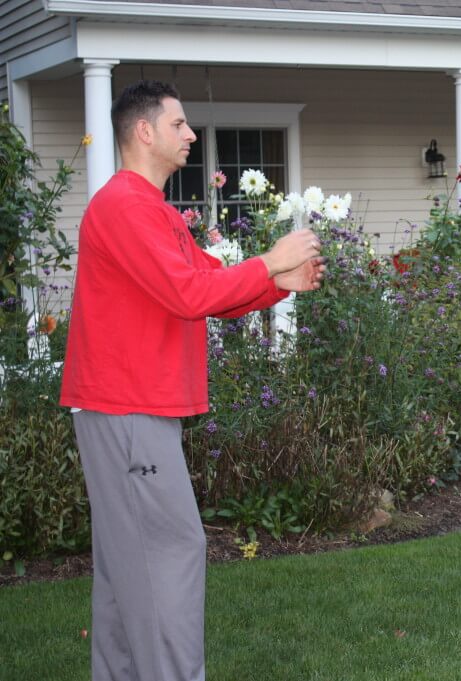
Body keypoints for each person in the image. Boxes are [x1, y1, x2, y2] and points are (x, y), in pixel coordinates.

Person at [59, 80, 325, 681]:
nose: (191, 134)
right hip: (126, 411)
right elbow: (188, 294)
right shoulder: (125, 206)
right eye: (179, 124)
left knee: (128, 568)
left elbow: (208, 287)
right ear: (145, 131)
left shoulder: (152, 211)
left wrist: (275, 285)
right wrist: (270, 260)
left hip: (130, 412)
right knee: (168, 554)